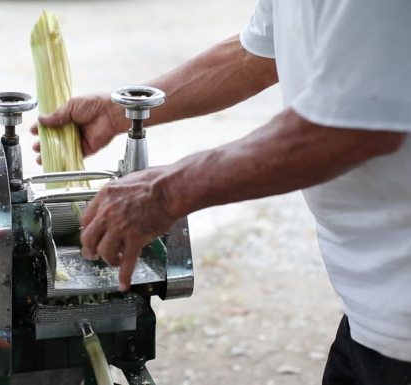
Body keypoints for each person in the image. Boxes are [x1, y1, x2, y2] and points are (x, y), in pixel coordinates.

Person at [30, 1, 411, 384]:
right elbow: (257, 54)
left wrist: (167, 193)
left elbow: (347, 130)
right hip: (369, 311)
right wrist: (118, 113)